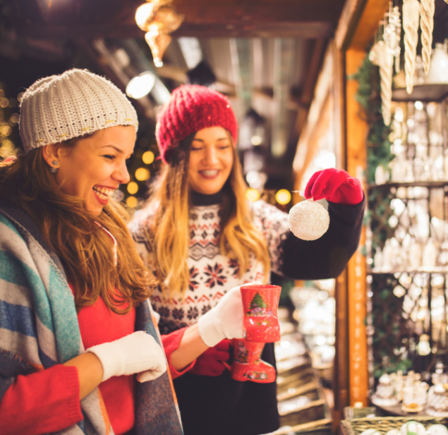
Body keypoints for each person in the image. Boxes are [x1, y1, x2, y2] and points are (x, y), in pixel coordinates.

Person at [0, 70, 248, 435]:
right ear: (54, 151)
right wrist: (103, 362)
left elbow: (137, 358)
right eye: (110, 156)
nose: (124, 175)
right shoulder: (12, 252)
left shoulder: (108, 236)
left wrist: (210, 328)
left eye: (126, 158)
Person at [130, 85, 366, 435]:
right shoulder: (144, 232)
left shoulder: (256, 219)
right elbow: (134, 332)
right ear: (174, 155)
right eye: (197, 147)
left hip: (251, 405)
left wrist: (346, 209)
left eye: (223, 146)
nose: (212, 159)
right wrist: (189, 348)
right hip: (179, 406)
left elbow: (320, 264)